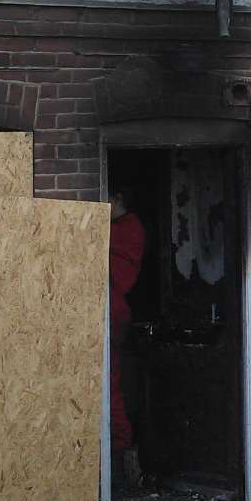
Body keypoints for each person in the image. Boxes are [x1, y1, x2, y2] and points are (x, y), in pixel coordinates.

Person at [109, 194, 146, 459]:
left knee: (110, 382)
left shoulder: (128, 229)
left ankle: (121, 447)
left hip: (113, 311)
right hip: (113, 309)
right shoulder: (122, 228)